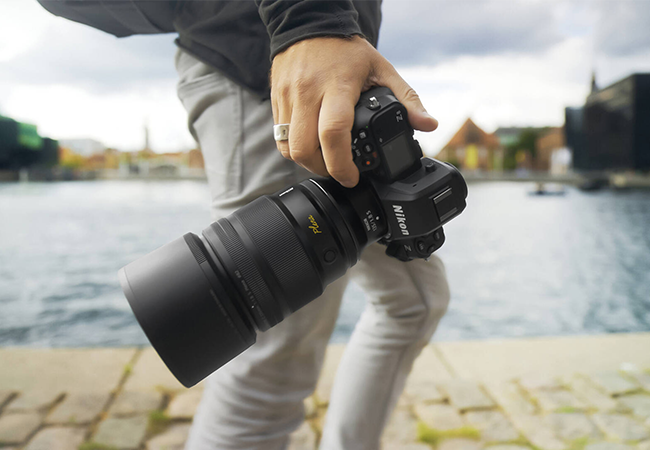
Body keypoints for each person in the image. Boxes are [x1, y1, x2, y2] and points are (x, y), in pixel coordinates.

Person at [40, 1, 451, 448]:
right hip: (274, 63)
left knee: (414, 303)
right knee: (269, 371)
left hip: (332, 68)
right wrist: (308, 22)